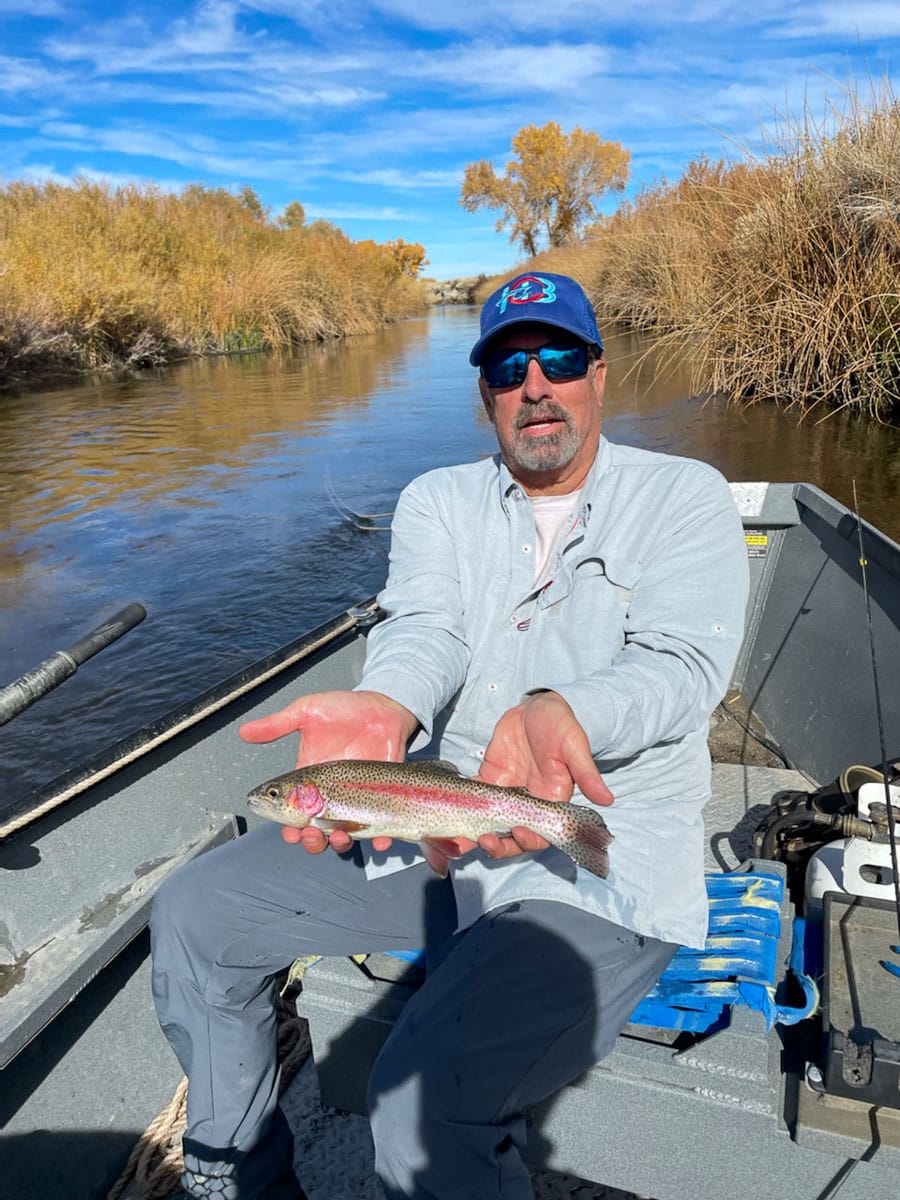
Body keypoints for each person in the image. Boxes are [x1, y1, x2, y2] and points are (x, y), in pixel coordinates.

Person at [150, 271, 750, 1200]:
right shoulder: (436, 499)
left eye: (558, 359)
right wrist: (387, 703)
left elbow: (680, 667)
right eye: (510, 367)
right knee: (195, 915)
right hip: (443, 824)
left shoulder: (688, 496)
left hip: (602, 846)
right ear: (485, 394)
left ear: (598, 373)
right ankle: (241, 1182)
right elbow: (422, 627)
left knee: (421, 1110)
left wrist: (567, 713)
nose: (535, 384)